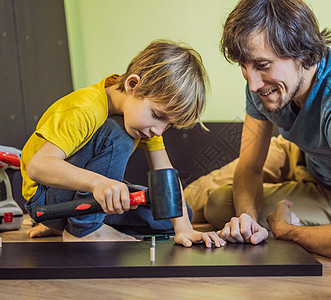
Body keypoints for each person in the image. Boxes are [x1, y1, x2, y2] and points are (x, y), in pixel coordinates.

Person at [197, 0, 331, 263]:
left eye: (262, 65)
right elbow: (249, 168)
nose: (252, 83)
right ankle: (138, 210)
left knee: (217, 204)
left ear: (302, 53)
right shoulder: (266, 86)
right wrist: (247, 217)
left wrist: (288, 231)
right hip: (301, 151)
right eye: (244, 66)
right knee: (199, 194)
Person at [21, 40, 226, 247]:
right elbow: (38, 167)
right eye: (157, 115)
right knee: (117, 132)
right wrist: (98, 183)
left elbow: (165, 174)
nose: (158, 130)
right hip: (46, 202)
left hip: (74, 203)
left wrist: (184, 229)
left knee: (173, 211)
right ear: (132, 85)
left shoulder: (147, 123)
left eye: (168, 125)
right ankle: (83, 229)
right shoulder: (86, 108)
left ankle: (69, 224)